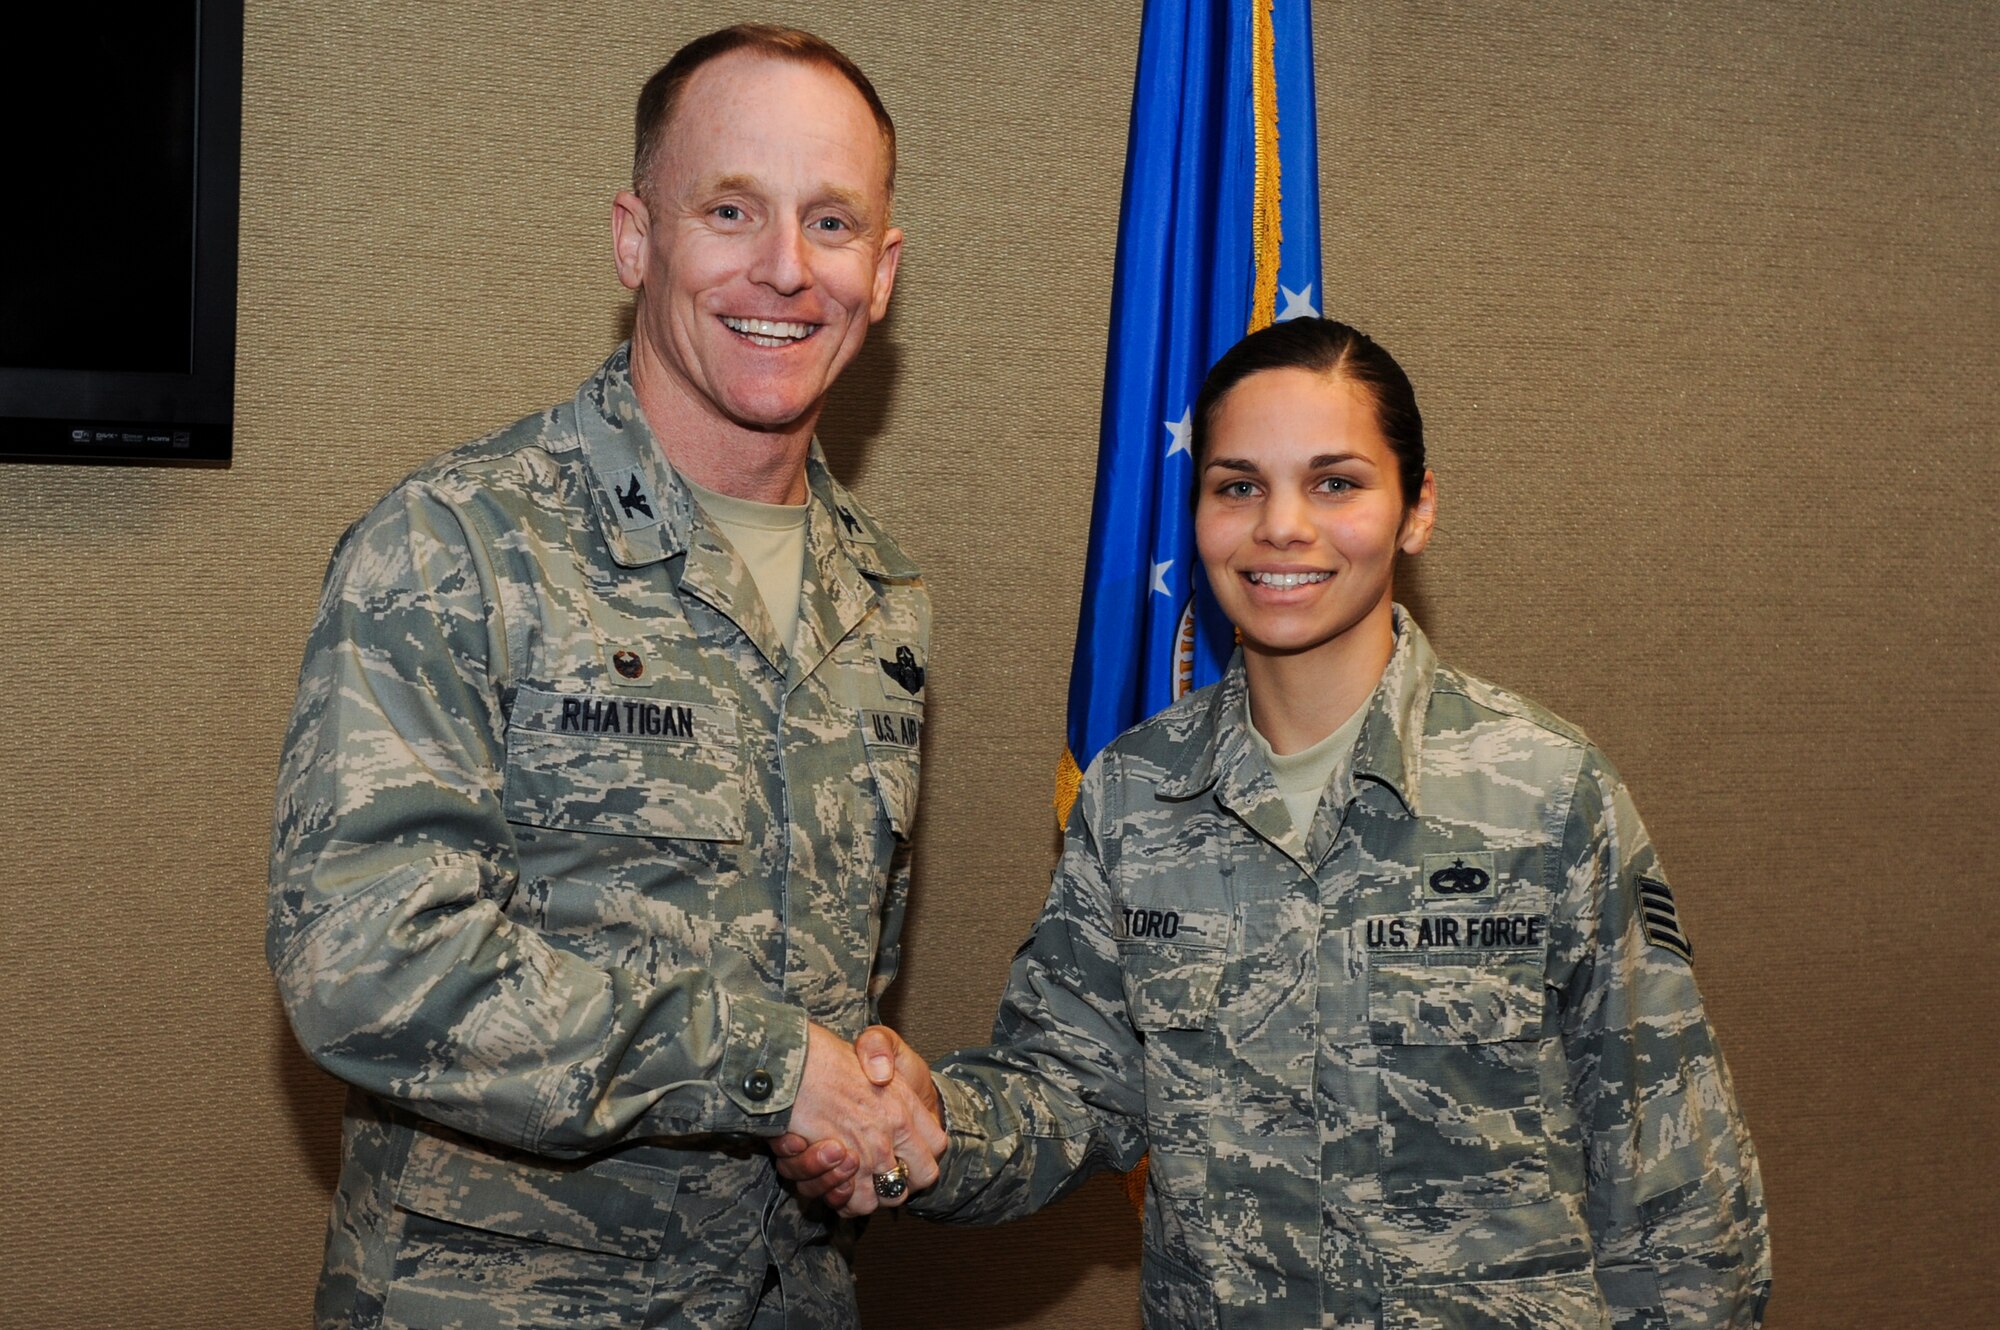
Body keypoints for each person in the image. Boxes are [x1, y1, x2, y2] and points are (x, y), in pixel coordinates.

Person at [780, 318, 1772, 1328]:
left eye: (1335, 482)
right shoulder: (1133, 799)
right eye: (1237, 485)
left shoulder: (1546, 791)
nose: (1280, 526)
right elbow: (1065, 1091)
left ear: (1415, 508)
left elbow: (1675, 1183)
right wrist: (919, 1121)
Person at [268, 24, 946, 1330]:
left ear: (885, 269)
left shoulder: (885, 600)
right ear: (637, 239)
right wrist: (770, 1067)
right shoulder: (455, 545)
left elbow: (834, 975)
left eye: (833, 221)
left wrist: (865, 1093)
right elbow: (360, 961)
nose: (786, 269)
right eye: (732, 209)